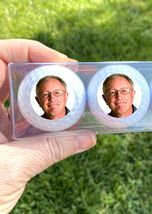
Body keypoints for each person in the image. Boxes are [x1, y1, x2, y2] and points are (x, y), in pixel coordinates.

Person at [0, 39, 96, 213]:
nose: (53, 99)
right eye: (46, 94)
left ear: (67, 95)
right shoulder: (26, 121)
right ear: (37, 100)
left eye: (57, 93)